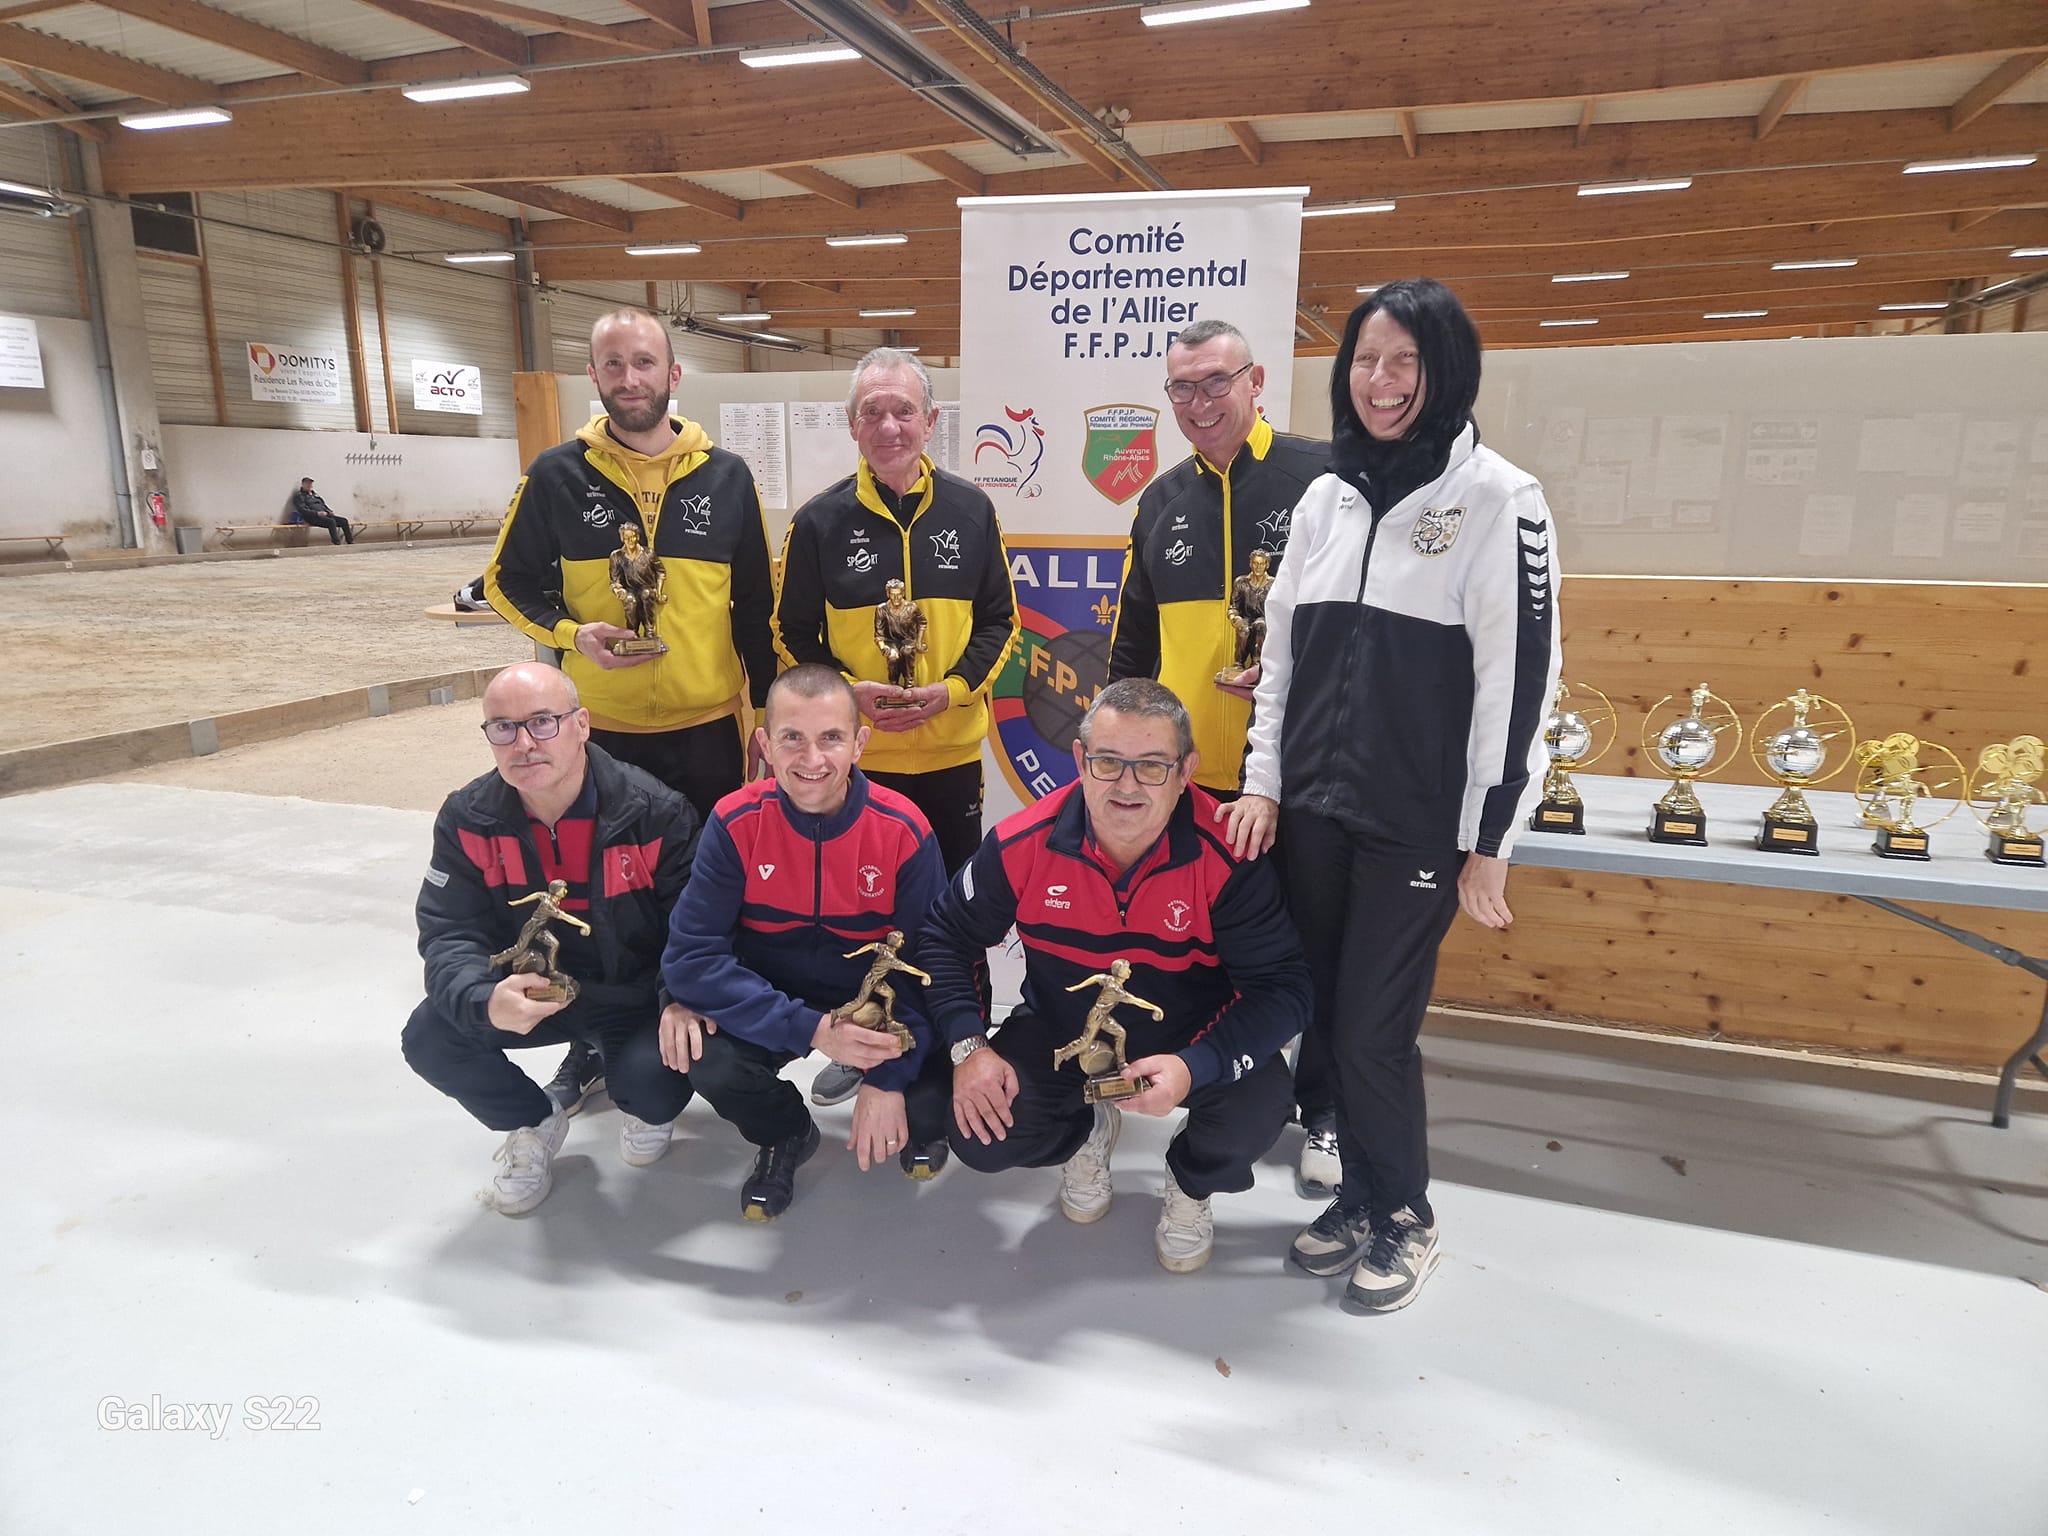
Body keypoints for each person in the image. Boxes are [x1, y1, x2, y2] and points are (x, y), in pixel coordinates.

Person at [1221, 278, 1563, 1314]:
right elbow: (1281, 660)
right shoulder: (1324, 499)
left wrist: (1491, 837)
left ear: (1445, 371)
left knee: (1374, 1027)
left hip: (1413, 824)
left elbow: (1520, 683)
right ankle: (1360, 1197)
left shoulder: (1501, 500)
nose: (1380, 380)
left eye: (1404, 361)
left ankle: (1405, 1211)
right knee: (1329, 1016)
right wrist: (1265, 784)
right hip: (1314, 815)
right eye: (1365, 360)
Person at [918, 677, 1313, 1274]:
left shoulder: (1228, 854)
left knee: (1260, 1107)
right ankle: (1086, 1132)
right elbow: (945, 937)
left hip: (1193, 1037)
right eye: (1108, 762)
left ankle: (1191, 1183)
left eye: (1152, 766)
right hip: (1063, 1032)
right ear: (1080, 760)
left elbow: (1285, 989)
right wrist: (969, 1047)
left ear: (1186, 770)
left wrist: (1195, 1066)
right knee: (981, 1133)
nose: (1127, 785)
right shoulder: (1022, 842)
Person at [488, 308, 776, 1117]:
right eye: (612, 365)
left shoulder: (727, 476)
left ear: (673, 375)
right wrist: (573, 635)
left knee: (709, 889)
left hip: (709, 728)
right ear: (594, 377)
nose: (630, 379)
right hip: (600, 733)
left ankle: (708, 1025)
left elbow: (757, 608)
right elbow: (506, 581)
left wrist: (764, 720)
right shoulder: (556, 475)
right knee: (592, 897)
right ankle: (593, 1042)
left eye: (644, 363)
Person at [1104, 319, 1336, 1195]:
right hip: (1195, 780)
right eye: (1183, 387)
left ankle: (1327, 1110)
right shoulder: (1159, 500)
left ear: (1256, 381)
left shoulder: (1322, 479)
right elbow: (1131, 649)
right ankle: (1219, 1087)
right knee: (1210, 951)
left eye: (1216, 382)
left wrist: (1296, 679)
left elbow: (1358, 631)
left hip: (1303, 775)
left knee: (1318, 949)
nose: (1199, 402)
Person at [773, 346, 1018, 1107]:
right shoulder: (818, 522)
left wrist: (951, 691)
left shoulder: (972, 510)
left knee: (956, 913)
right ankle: (868, 1042)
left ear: (931, 421)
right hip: (859, 762)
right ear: (852, 424)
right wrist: (847, 698)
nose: (889, 425)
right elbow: (791, 633)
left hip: (949, 755)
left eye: (904, 410)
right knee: (863, 914)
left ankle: (958, 1046)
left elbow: (1001, 622)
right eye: (872, 411)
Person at [401, 662, 706, 1216]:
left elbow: (694, 929)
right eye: (503, 727)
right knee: (429, 1036)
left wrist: (679, 998)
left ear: (582, 724)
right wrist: (483, 998)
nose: (524, 744)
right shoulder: (467, 818)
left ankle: (636, 1094)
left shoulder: (655, 812)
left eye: (543, 722)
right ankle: (532, 1122)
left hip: (630, 997)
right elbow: (449, 929)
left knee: (655, 1083)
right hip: (529, 995)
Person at [660, 665, 952, 1221]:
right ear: (765, 743)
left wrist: (886, 1079)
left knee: (932, 1097)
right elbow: (691, 956)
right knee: (712, 1064)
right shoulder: (734, 820)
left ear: (859, 743)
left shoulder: (903, 828)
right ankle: (786, 1132)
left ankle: (912, 1111)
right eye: (792, 737)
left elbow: (930, 967)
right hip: (775, 993)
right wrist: (813, 1029)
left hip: (873, 1005)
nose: (811, 758)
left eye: (831, 738)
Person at [289, 477, 354, 544]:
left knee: (343, 521)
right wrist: (317, 513)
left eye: (310, 484)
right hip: (312, 517)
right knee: (331, 522)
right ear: (303, 484)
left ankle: (350, 541)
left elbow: (323, 505)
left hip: (324, 515)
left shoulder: (315, 495)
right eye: (307, 483)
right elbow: (302, 510)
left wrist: (329, 511)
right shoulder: (299, 496)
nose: (309, 485)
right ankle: (337, 542)